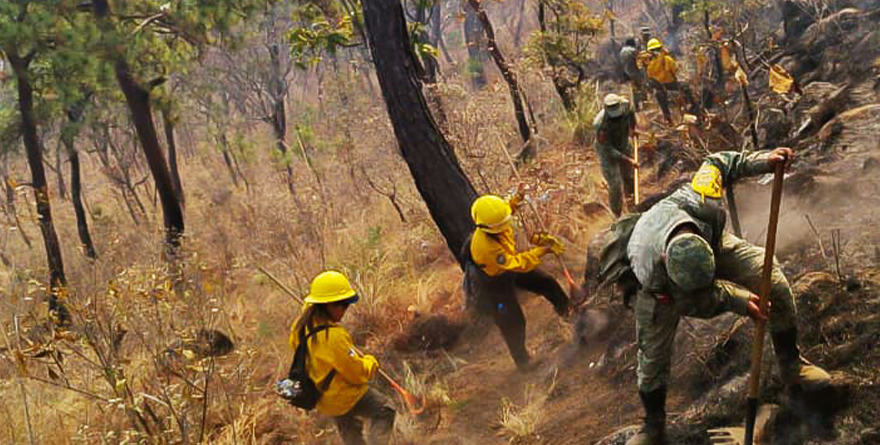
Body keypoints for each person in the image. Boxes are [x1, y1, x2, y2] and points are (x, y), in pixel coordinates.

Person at [620, 148, 830, 445]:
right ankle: (653, 426)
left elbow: (719, 162)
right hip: (663, 294)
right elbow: (695, 301)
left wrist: (764, 161)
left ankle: (791, 366)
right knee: (652, 358)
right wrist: (740, 300)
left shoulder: (701, 198)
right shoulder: (645, 263)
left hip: (715, 246)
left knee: (773, 280)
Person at [461, 193, 570, 370]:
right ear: (487, 227)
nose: (506, 224)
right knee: (513, 321)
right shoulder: (486, 248)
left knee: (546, 282)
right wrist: (542, 251)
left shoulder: (495, 218)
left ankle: (568, 311)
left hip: (509, 267)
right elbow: (517, 264)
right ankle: (523, 362)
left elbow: (506, 211)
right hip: (492, 282)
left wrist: (517, 199)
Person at [288, 271, 395, 445]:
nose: (345, 309)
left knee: (350, 433)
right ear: (327, 305)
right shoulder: (334, 337)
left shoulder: (300, 327)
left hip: (324, 399)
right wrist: (370, 363)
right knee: (386, 410)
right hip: (345, 396)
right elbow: (356, 373)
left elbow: (298, 348)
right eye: (342, 304)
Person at [594, 93, 639, 217]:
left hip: (623, 144)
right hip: (608, 153)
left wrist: (633, 127)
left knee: (629, 177)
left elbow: (631, 112)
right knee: (615, 185)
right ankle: (617, 214)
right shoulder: (600, 124)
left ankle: (633, 206)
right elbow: (607, 149)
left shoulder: (626, 105)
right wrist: (628, 160)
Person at [642, 38, 699, 124]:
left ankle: (667, 118)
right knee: (686, 86)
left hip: (659, 87)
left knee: (661, 98)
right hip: (671, 84)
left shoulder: (648, 63)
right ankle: (693, 106)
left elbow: (649, 76)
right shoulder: (667, 58)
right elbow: (675, 69)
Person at [619, 38, 646, 110]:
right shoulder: (633, 50)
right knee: (641, 87)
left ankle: (636, 106)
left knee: (633, 89)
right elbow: (639, 59)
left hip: (626, 73)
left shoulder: (622, 51)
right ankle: (644, 103)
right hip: (635, 72)